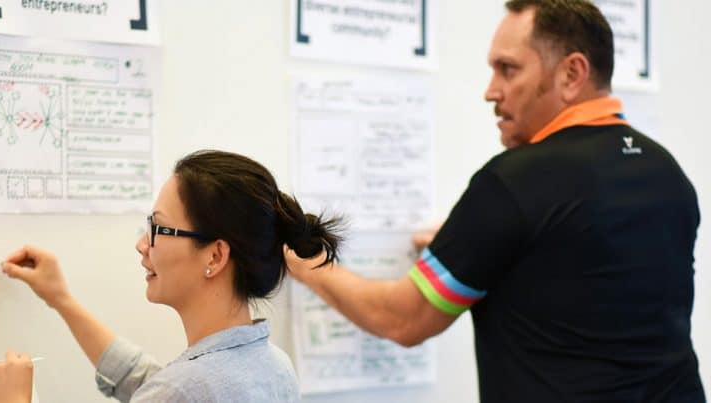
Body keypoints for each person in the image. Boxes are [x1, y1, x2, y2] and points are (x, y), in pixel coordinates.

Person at [286, 1, 706, 401]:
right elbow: (586, 266)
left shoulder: (514, 182)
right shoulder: (666, 172)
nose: (491, 91)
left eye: (508, 70)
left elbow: (401, 319)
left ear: (572, 74)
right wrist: (473, 242)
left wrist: (310, 267)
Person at [0, 150, 341, 403]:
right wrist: (61, 299)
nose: (143, 244)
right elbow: (144, 380)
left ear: (215, 256)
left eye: (158, 228)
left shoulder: (182, 390)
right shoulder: (274, 367)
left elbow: (167, 390)